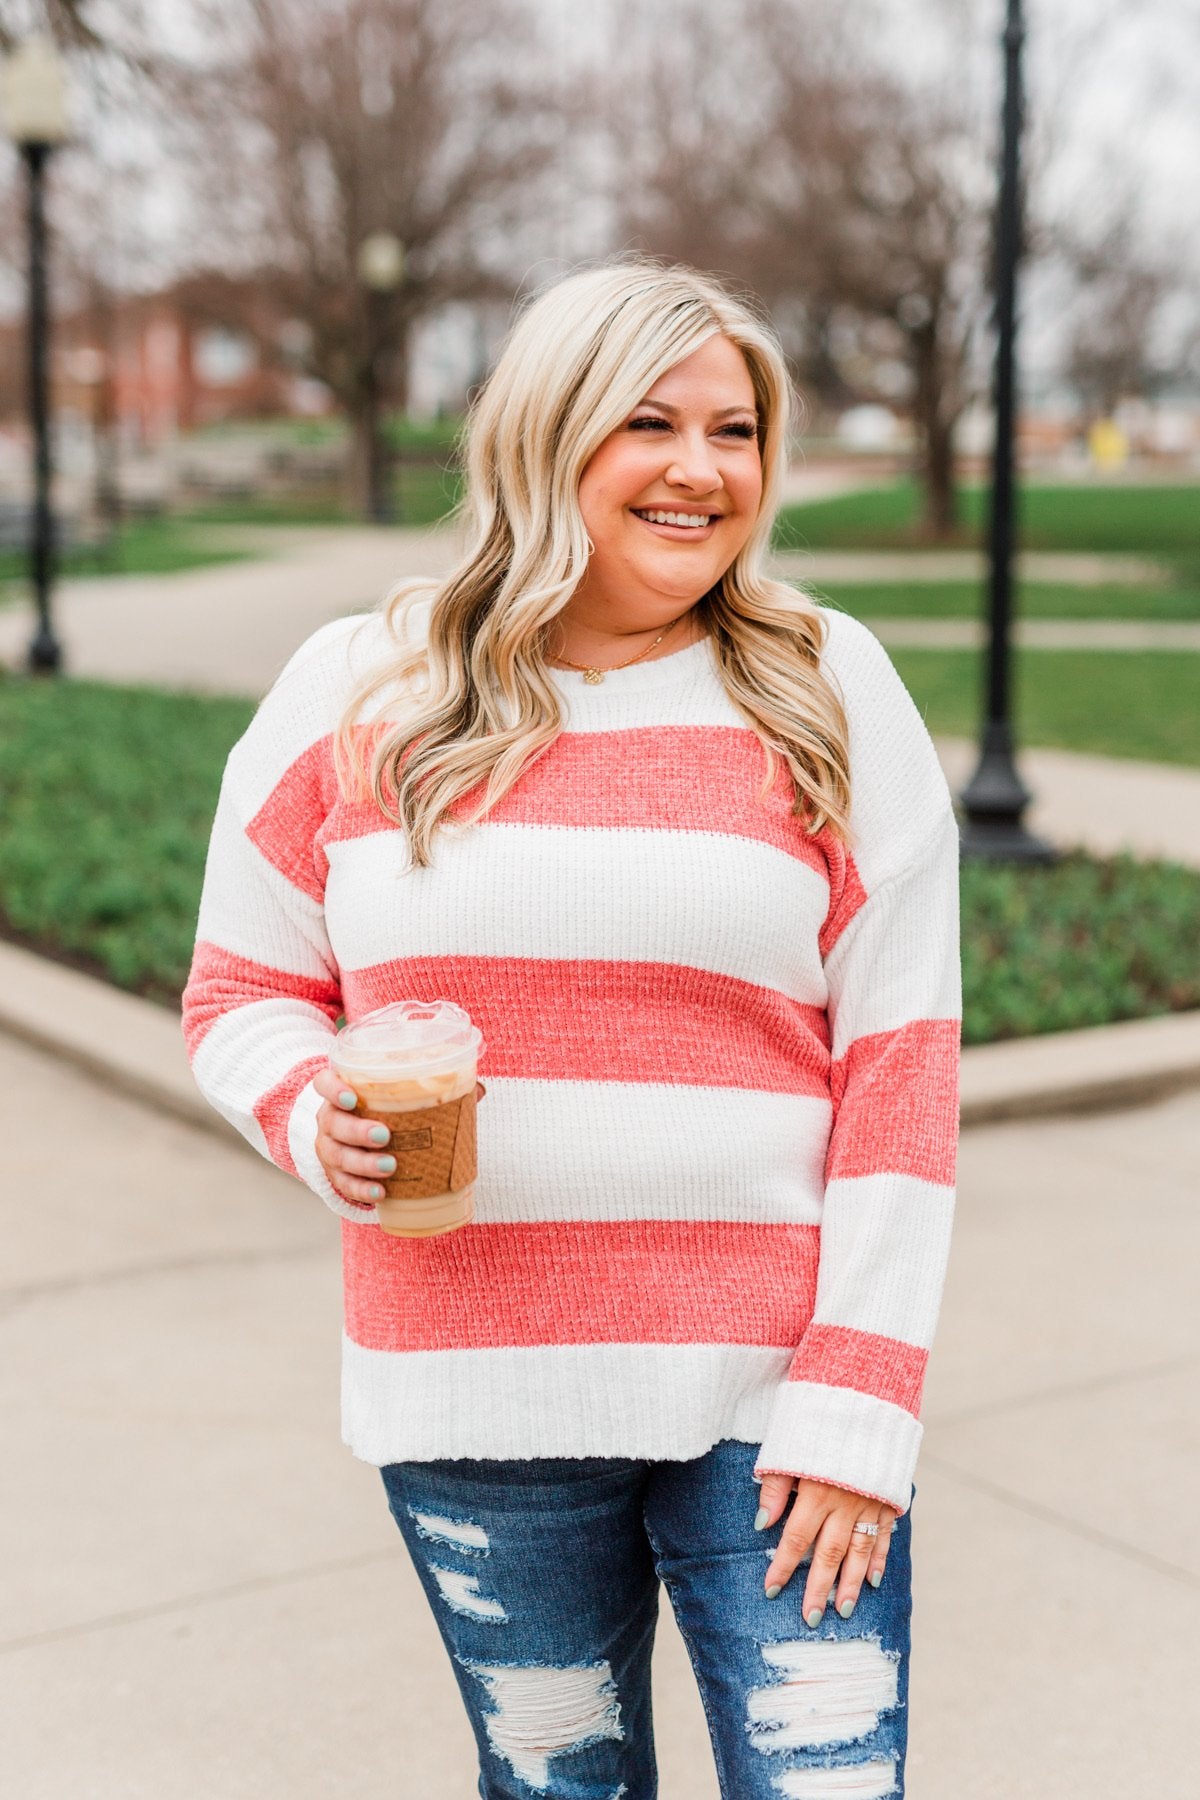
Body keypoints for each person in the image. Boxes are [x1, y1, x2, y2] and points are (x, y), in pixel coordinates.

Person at [182, 257, 961, 1799]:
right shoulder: (360, 687)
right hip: (474, 1394)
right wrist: (303, 1109)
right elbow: (241, 990)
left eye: (735, 431)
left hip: (776, 1398)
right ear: (543, 434)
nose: (702, 469)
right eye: (649, 423)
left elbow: (900, 1062)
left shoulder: (824, 684)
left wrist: (866, 1385)